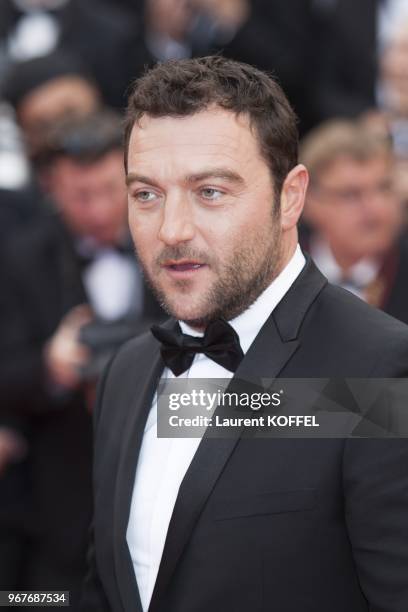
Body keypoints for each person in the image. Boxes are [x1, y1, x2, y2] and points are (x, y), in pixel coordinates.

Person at [81, 56, 408, 612]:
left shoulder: (378, 370)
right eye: (146, 195)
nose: (172, 230)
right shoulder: (129, 372)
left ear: (291, 197)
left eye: (210, 192)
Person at [0, 110, 163, 608]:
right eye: (79, 196)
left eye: (110, 191)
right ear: (51, 190)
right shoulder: (17, 258)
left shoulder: (174, 242)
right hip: (57, 502)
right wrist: (51, 369)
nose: (96, 210)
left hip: (160, 483)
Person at [299, 118, 408, 324]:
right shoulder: (281, 269)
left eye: (384, 188)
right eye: (350, 194)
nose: (375, 207)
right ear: (307, 200)